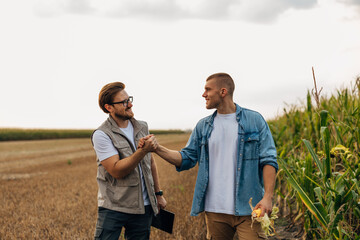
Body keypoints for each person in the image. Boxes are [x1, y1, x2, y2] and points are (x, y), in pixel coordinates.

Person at [140, 73, 278, 239]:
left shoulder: (254, 121)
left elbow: (268, 160)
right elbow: (186, 158)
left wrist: (268, 197)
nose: (203, 94)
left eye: (207, 89)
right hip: (215, 211)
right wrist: (157, 148)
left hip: (250, 208)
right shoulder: (203, 126)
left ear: (223, 91)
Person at [91, 82, 166, 240]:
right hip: (113, 207)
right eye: (124, 102)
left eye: (129, 99)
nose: (130, 104)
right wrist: (143, 150)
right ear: (109, 107)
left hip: (143, 207)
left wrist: (157, 194)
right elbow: (117, 170)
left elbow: (150, 163)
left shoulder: (142, 127)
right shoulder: (102, 134)